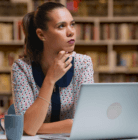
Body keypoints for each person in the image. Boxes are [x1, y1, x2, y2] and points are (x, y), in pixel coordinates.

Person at [11, 1, 94, 136]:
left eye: (72, 24)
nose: (71, 32)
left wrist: (35, 127)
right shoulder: (22, 68)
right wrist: (50, 78)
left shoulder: (83, 63)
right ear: (41, 35)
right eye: (61, 26)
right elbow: (28, 127)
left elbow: (84, 123)